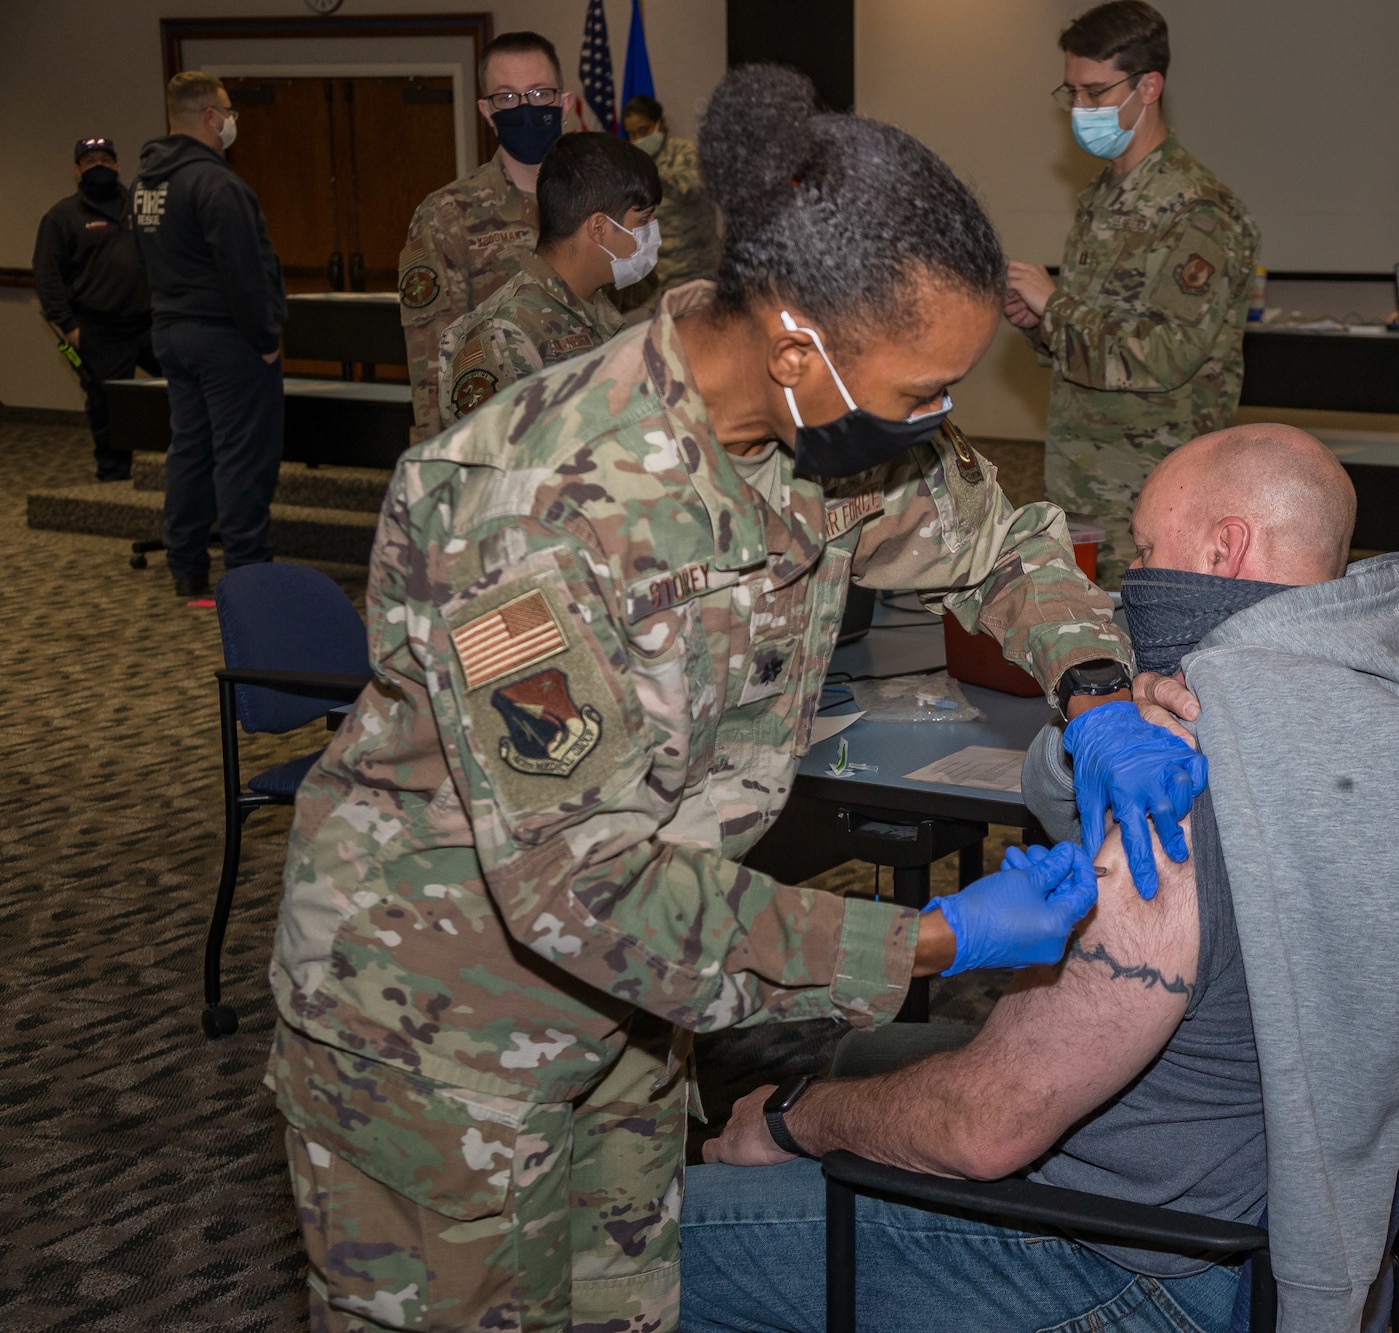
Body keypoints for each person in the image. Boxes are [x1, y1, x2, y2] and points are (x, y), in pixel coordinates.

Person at [267, 65, 1208, 1332]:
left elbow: (1007, 542)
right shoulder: (531, 503)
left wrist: (1090, 689)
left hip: (646, 1004)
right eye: (917, 392)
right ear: (794, 344)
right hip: (440, 1026)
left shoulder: (820, 432)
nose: (936, 419)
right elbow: (578, 884)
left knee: (628, 1307)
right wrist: (928, 942)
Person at [682, 425, 1399, 1333]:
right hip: (1238, 1199)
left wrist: (791, 1119)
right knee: (869, 1063)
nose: (1133, 572)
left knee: (636, 1246)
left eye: (1148, 548)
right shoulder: (1389, 696)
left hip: (1122, 1263)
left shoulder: (1183, 795)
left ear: (1222, 549)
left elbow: (984, 1127)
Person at [1003, 0, 1260, 585]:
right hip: (1080, 479)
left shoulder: (1199, 209)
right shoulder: (1102, 196)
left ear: (1149, 87)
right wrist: (1037, 321)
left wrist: (1056, 303)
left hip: (1153, 496)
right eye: (1070, 92)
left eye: (1095, 93)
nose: (1079, 108)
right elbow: (1096, 336)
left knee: (1148, 663)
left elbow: (1166, 355)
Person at [132, 73, 285, 598]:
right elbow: (244, 271)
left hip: (172, 333)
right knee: (242, 456)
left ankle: (188, 567)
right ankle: (248, 573)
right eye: (227, 111)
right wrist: (266, 335)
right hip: (226, 339)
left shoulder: (148, 183)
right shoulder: (217, 184)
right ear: (210, 118)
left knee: (191, 450)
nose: (231, 120)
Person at [398, 31, 584, 440]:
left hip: (592, 435)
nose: (525, 108)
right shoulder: (446, 216)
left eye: (539, 94)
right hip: (500, 442)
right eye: (508, 98)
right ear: (486, 110)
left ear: (564, 104)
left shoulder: (600, 204)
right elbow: (433, 365)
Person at [433, 133, 658, 424]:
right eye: (643, 221)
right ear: (599, 228)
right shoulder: (505, 336)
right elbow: (498, 464)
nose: (654, 233)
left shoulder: (595, 312)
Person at [34, 136, 157, 482]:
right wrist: (68, 326)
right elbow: (46, 276)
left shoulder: (139, 204)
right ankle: (114, 477)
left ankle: (184, 470)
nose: (99, 166)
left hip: (150, 323)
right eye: (90, 162)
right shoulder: (61, 217)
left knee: (186, 386)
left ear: (118, 165)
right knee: (109, 408)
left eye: (106, 160)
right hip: (98, 330)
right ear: (77, 170)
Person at [614, 93, 722, 314]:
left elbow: (692, 186)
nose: (638, 139)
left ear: (660, 124)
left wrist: (651, 172)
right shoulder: (633, 162)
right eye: (632, 134)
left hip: (693, 273)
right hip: (655, 278)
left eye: (643, 131)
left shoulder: (685, 152)